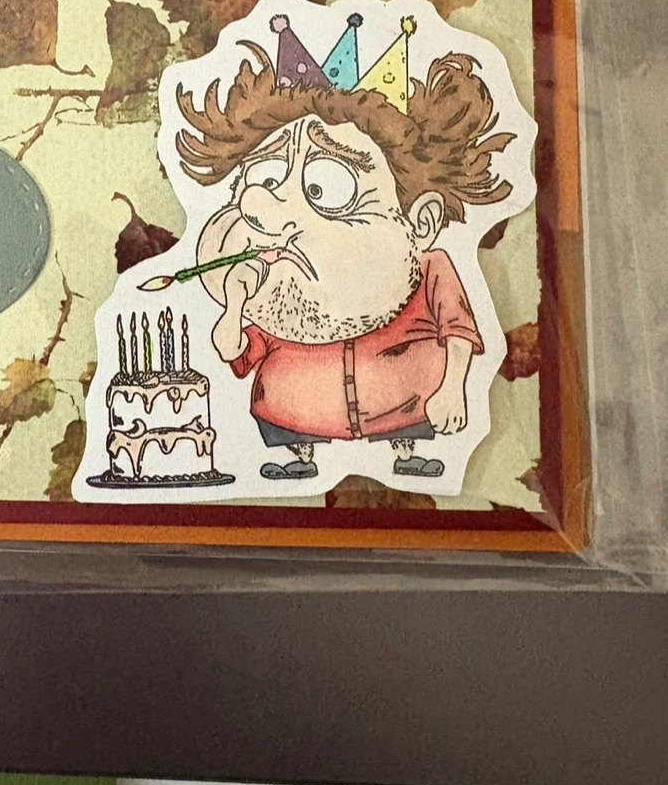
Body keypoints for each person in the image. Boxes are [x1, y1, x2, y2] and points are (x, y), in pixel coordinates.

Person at [175, 43, 512, 480]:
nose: (260, 209)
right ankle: (298, 458)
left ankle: (406, 451)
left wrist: (453, 388)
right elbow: (236, 352)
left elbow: (458, 329)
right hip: (295, 419)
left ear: (421, 222)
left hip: (402, 409)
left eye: (323, 189)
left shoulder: (430, 270)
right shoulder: (275, 298)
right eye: (265, 179)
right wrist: (233, 308)